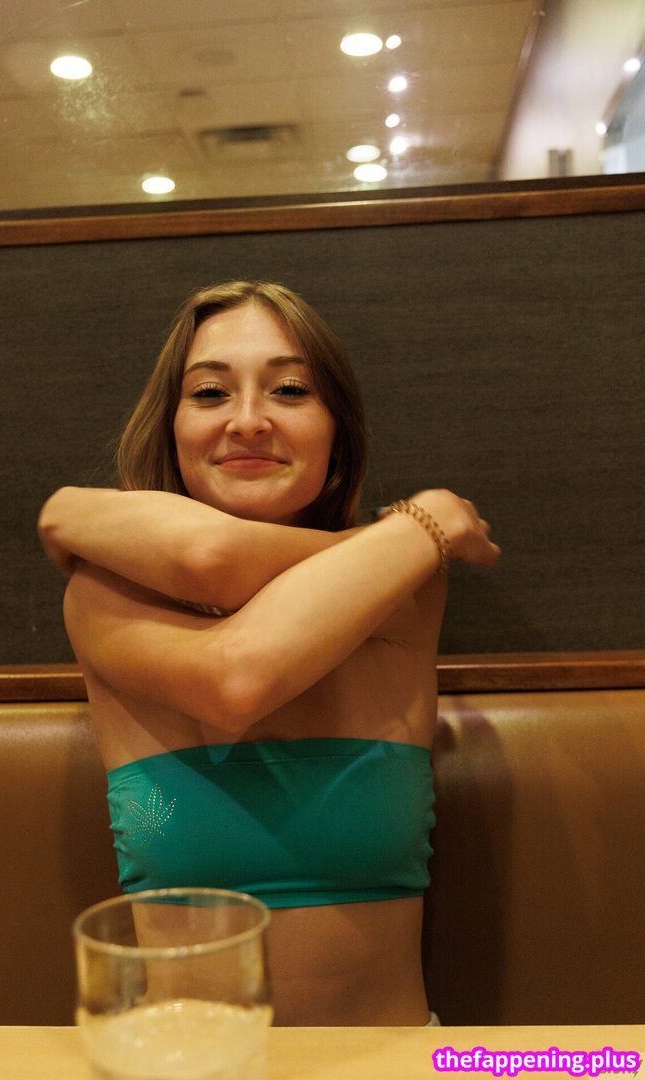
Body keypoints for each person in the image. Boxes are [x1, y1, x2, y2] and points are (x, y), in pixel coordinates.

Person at [38, 280, 500, 1027]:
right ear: (172, 426)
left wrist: (413, 539)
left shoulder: (406, 590)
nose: (248, 420)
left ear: (336, 429)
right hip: (187, 1068)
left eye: (289, 390)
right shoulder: (104, 595)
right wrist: (423, 526)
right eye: (209, 393)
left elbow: (218, 564)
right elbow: (232, 665)